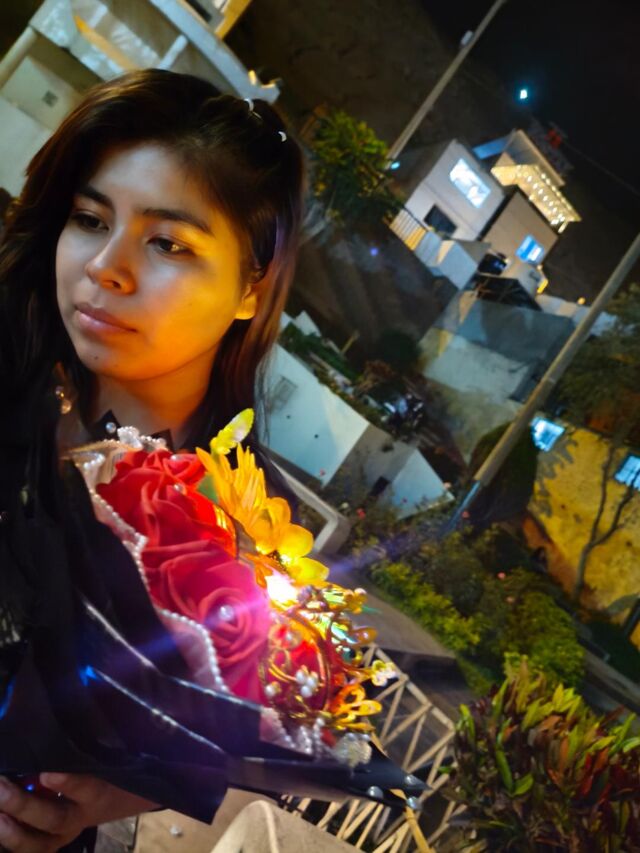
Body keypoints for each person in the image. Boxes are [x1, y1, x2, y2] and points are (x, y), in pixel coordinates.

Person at [0, 68, 304, 852]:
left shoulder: (244, 525)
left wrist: (108, 790)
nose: (106, 265)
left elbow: (223, 732)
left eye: (168, 242)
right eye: (89, 218)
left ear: (251, 287)